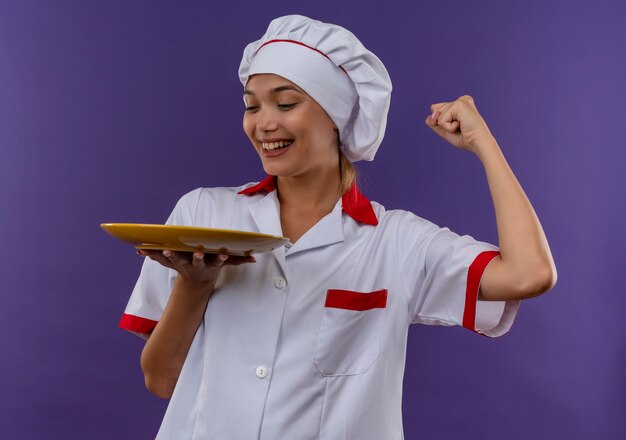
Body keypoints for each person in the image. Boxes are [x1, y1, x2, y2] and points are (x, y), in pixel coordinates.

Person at [120, 15, 557, 439]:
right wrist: (194, 285)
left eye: (286, 102)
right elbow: (160, 380)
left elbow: (530, 274)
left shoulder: (396, 242)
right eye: (251, 105)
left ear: (335, 116)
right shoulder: (202, 215)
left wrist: (485, 144)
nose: (263, 123)